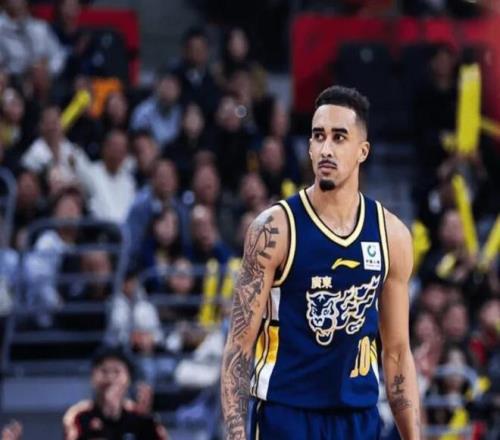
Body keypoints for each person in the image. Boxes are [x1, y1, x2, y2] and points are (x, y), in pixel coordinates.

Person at [221, 85, 421, 439]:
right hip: (287, 416)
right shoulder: (274, 229)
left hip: (357, 418)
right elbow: (239, 347)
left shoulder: (392, 235)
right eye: (318, 136)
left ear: (362, 151)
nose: (326, 148)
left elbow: (396, 352)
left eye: (339, 137)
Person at [62, 346, 168, 440]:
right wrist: (108, 417)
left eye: (117, 372)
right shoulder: (78, 416)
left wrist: (147, 419)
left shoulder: (140, 415)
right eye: (104, 371)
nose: (110, 378)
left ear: (128, 379)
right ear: (92, 378)